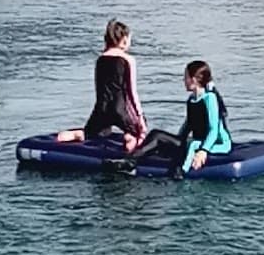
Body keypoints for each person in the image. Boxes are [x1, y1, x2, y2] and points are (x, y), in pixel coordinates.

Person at [113, 61, 231, 177]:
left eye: (185, 77)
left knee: (158, 136)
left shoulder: (210, 98)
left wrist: (203, 151)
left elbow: (214, 129)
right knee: (157, 135)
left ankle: (130, 161)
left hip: (216, 144)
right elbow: (189, 124)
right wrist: (178, 142)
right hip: (196, 141)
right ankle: (130, 161)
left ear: (194, 79)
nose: (183, 81)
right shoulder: (191, 99)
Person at [57, 20, 147, 153]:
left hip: (101, 109)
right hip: (120, 109)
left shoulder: (100, 60)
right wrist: (140, 118)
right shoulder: (128, 60)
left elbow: (99, 88)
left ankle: (78, 134)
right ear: (123, 39)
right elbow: (131, 92)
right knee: (138, 135)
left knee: (91, 133)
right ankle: (130, 141)